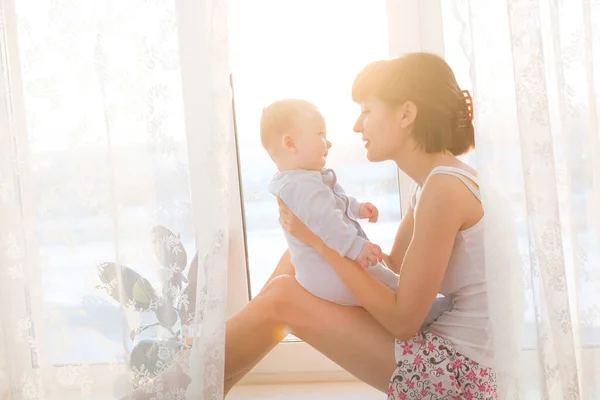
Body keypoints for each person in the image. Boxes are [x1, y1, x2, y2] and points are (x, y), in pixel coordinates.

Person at [224, 53, 497, 399]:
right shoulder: (434, 183)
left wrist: (323, 242)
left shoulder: (443, 189)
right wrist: (320, 239)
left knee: (283, 295)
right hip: (447, 355)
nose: (356, 126)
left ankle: (191, 378)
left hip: (458, 375)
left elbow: (403, 321)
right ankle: (207, 379)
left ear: (406, 115)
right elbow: (396, 269)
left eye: (367, 111)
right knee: (295, 259)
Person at [260, 98, 452, 320]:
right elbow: (328, 223)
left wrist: (358, 208)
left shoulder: (298, 181)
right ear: (290, 144)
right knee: (383, 280)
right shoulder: (302, 186)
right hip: (328, 276)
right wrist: (356, 247)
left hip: (318, 273)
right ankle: (430, 314)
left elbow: (333, 204)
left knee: (380, 274)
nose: (328, 143)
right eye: (320, 134)